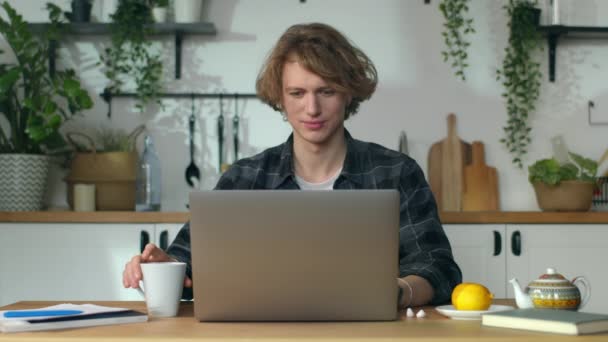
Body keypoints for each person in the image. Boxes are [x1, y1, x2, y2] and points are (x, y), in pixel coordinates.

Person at [123, 22, 462, 308]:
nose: (311, 108)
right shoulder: (244, 178)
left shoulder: (396, 172)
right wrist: (162, 265)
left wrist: (399, 291)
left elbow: (439, 268)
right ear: (280, 97)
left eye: (326, 91)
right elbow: (189, 265)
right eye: (297, 93)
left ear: (348, 94)